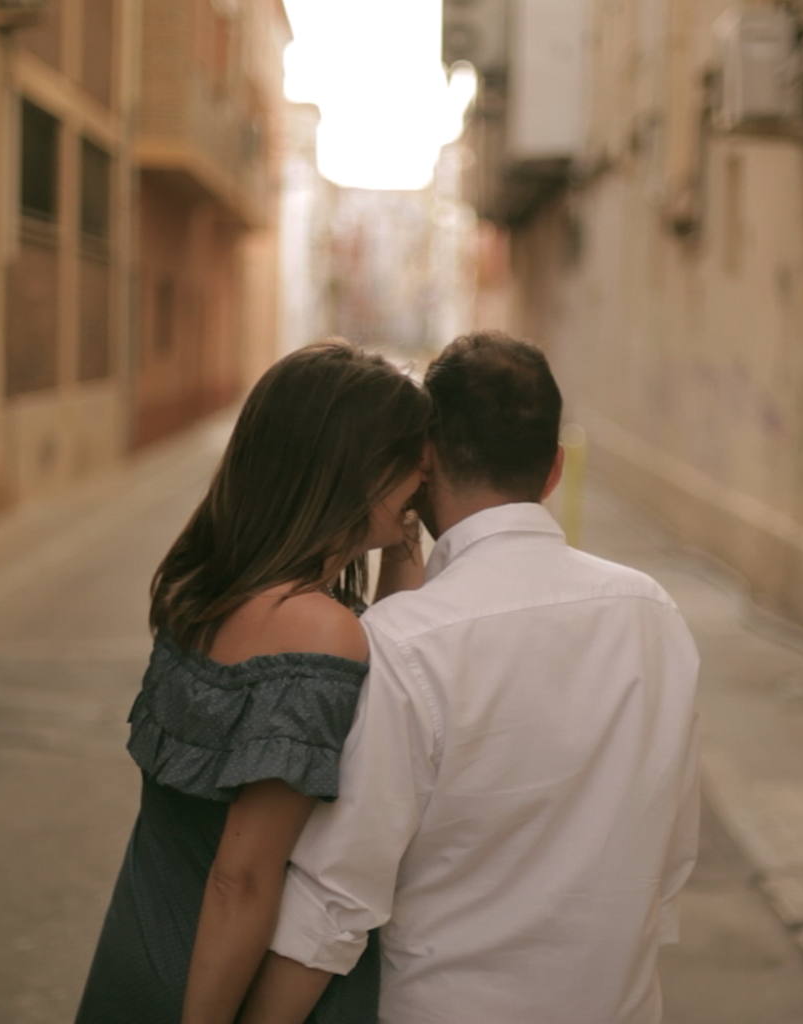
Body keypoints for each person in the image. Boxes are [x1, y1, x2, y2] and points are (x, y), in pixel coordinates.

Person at [238, 331, 701, 1024]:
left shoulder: (406, 642)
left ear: (423, 463)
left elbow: (333, 904)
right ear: (554, 470)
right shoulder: (654, 613)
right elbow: (671, 858)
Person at [74, 341, 431, 1024]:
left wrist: (401, 544)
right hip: (221, 983)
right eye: (410, 460)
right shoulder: (317, 632)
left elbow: (388, 666)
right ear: (353, 470)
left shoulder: (208, 588)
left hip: (144, 942)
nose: (423, 476)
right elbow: (241, 879)